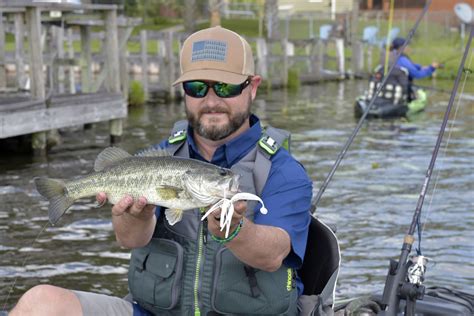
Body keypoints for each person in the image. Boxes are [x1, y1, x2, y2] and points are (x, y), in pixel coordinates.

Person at [10, 26, 313, 316]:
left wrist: (234, 230)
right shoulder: (157, 156)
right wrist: (134, 217)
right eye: (196, 88)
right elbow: (130, 240)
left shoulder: (283, 171)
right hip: (151, 312)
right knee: (39, 303)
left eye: (226, 87)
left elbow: (273, 255)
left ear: (253, 87)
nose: (210, 101)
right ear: (183, 92)